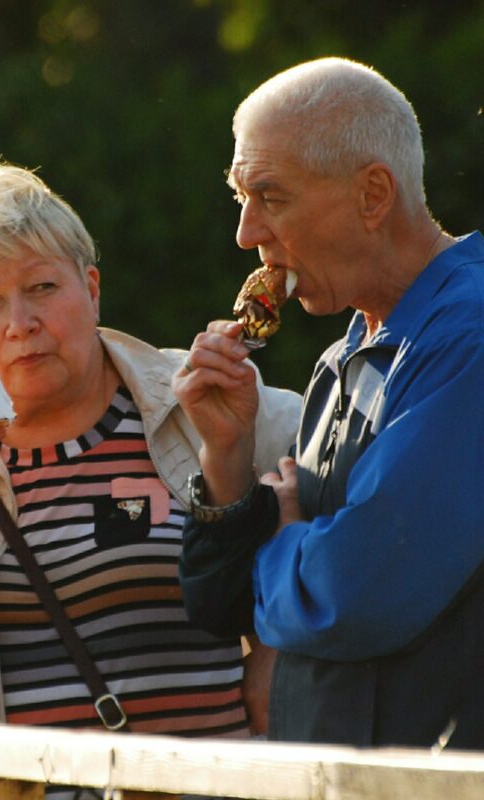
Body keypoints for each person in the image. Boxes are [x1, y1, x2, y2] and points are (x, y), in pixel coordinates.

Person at [0, 160, 301, 793]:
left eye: (42, 287)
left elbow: (345, 538)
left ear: (91, 288)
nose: (22, 323)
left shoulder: (202, 402)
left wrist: (273, 652)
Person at [176, 57, 484, 750]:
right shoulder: (343, 356)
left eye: (271, 196)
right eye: (240, 199)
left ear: (374, 194)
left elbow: (353, 594)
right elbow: (227, 612)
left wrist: (283, 537)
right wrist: (226, 456)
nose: (246, 234)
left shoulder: (470, 335)